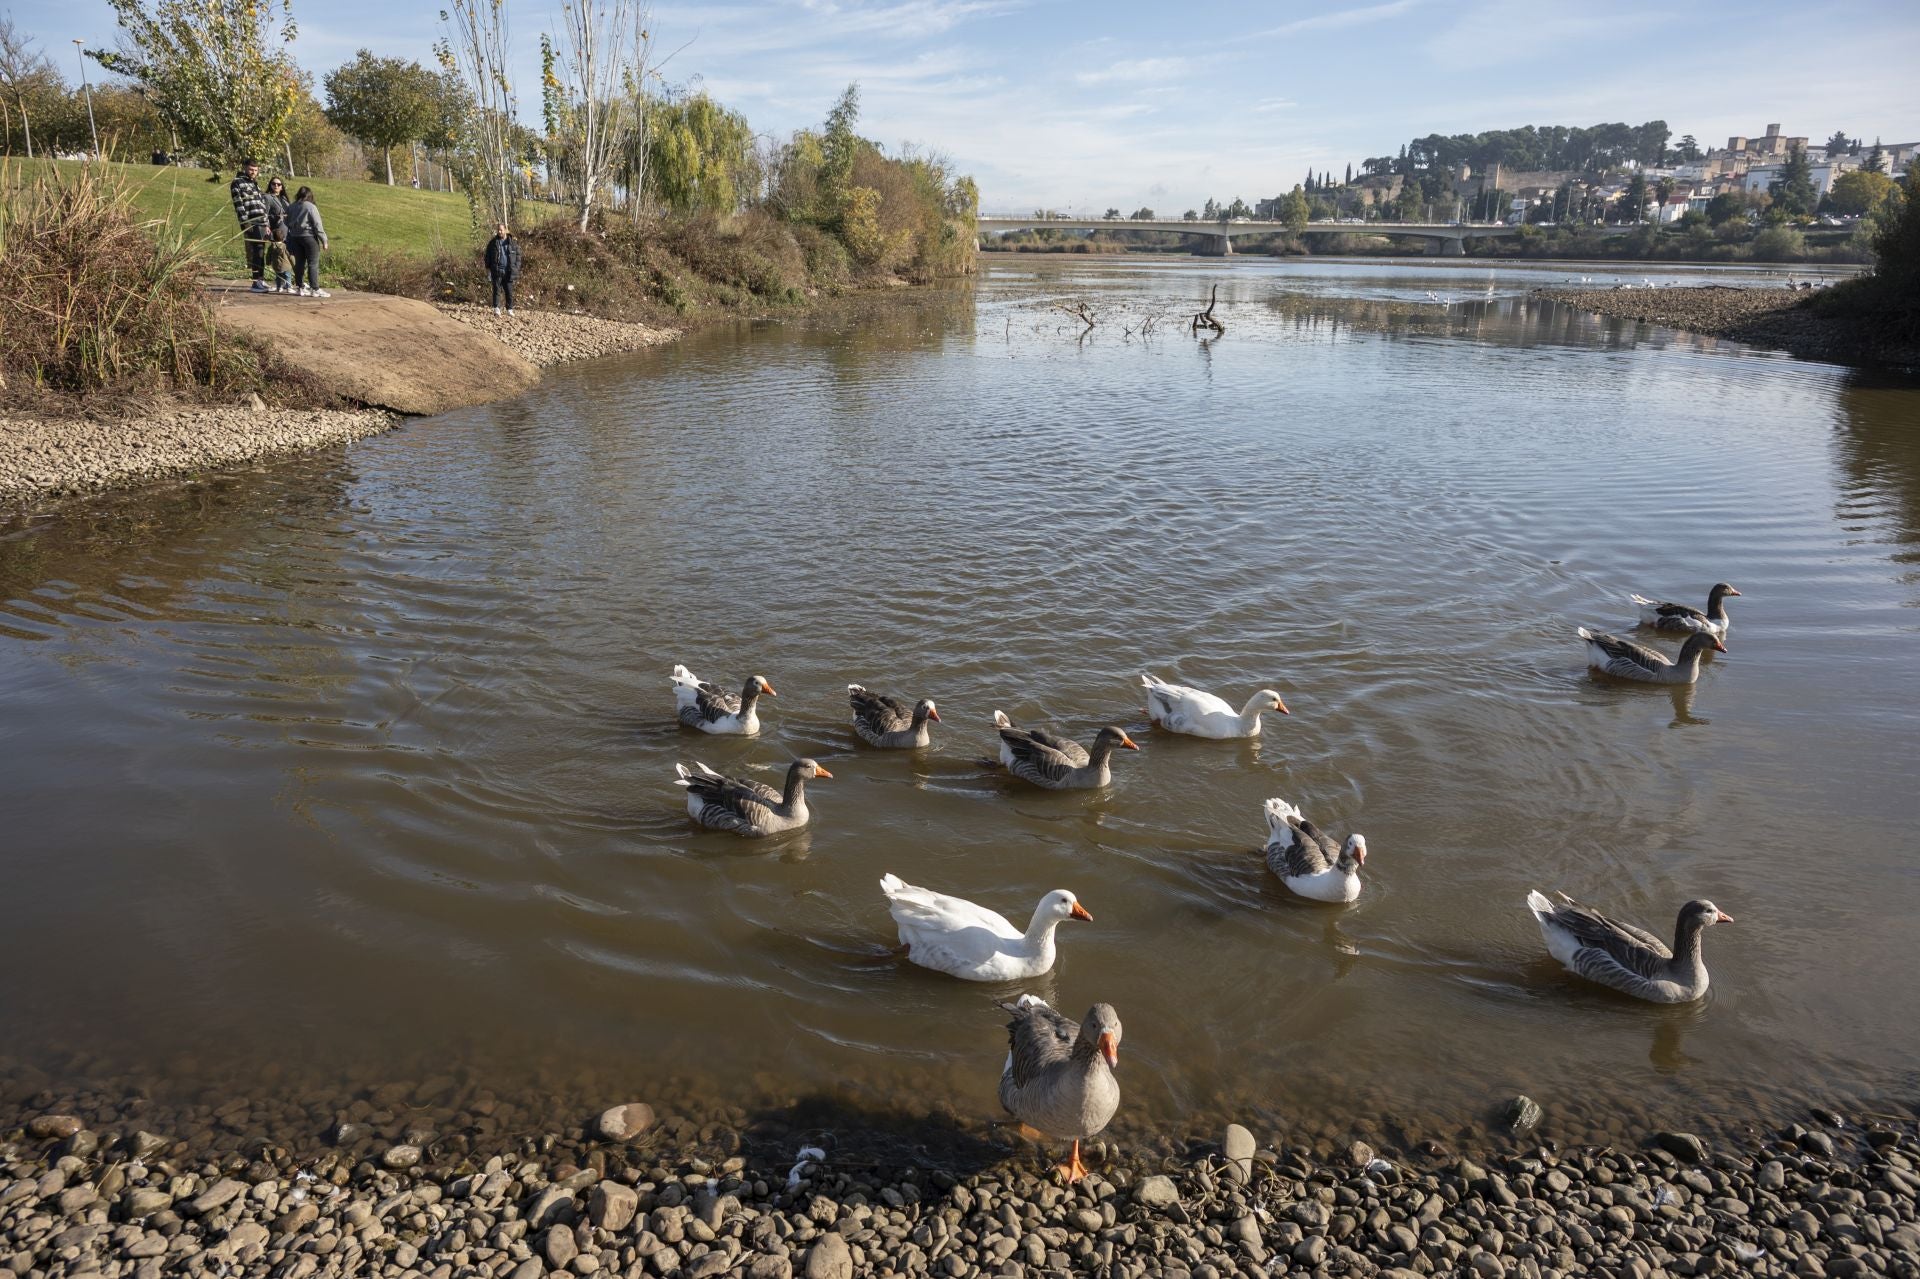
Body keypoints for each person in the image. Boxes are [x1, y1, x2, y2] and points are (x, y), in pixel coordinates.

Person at [229, 159, 271, 293]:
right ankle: (255, 282)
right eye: (251, 169)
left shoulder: (255, 184)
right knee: (255, 251)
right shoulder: (237, 183)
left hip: (262, 221)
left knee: (261, 251)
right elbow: (238, 204)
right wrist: (245, 222)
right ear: (245, 168)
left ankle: (261, 279)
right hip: (251, 221)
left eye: (255, 170)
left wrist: (267, 223)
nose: (253, 172)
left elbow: (262, 204)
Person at [285, 186, 331, 299]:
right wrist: (324, 240)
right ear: (309, 195)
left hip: (295, 237)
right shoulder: (311, 207)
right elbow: (317, 224)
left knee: (299, 263)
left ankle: (300, 287)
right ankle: (314, 288)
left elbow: (286, 221)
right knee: (313, 263)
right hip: (309, 237)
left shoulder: (291, 206)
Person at [263, 176, 294, 294]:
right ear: (270, 185)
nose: (276, 186)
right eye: (274, 184)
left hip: (288, 232)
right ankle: (279, 283)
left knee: (287, 258)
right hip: (277, 233)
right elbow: (264, 213)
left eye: (279, 184)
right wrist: (266, 226)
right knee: (279, 259)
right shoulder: (267, 197)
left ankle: (288, 283)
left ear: (282, 187)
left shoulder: (284, 199)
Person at [484, 223, 521, 316]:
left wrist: (516, 267)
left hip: (509, 271)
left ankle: (509, 309)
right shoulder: (493, 243)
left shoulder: (512, 242)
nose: (499, 232)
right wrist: (489, 268)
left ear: (505, 230)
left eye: (501, 230)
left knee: (509, 291)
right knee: (496, 290)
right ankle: (496, 308)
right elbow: (487, 256)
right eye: (498, 230)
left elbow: (518, 256)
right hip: (497, 270)